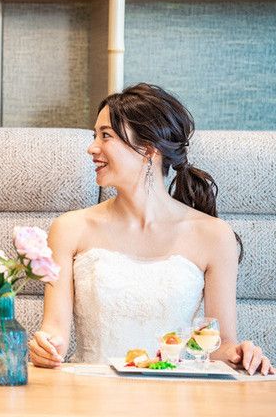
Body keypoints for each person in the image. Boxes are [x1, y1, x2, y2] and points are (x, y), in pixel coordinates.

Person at [29, 83, 274, 376]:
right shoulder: (69, 229)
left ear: (148, 149)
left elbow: (220, 345)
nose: (92, 148)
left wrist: (240, 354)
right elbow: (54, 331)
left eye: (105, 135)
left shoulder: (215, 236)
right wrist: (45, 348)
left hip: (174, 393)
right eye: (95, 136)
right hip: (90, 390)